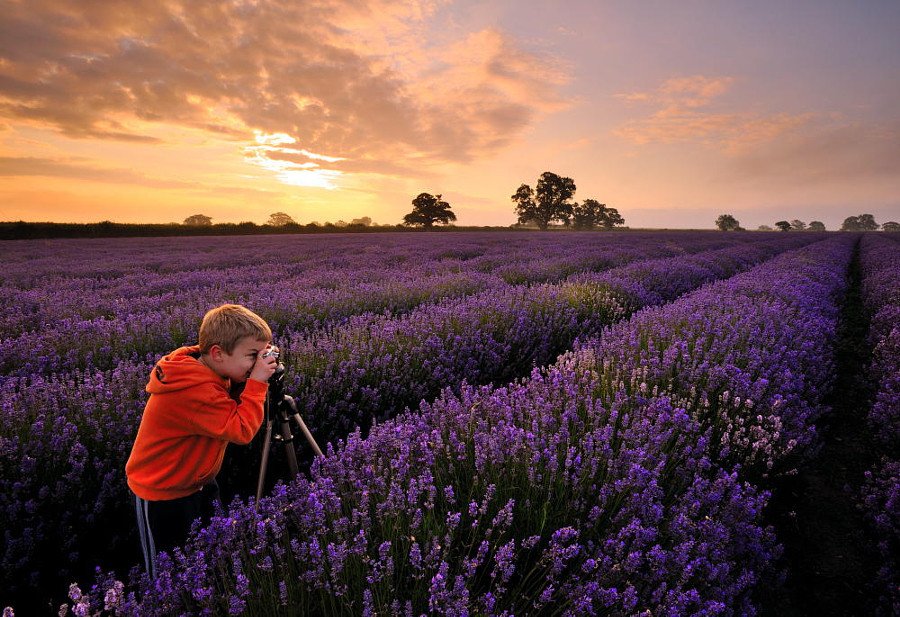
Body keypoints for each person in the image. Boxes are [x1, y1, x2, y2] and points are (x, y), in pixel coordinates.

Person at [125, 304, 277, 578]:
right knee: (167, 573)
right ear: (218, 353)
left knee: (207, 555)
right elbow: (241, 430)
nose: (259, 363)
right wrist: (257, 385)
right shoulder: (195, 391)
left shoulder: (208, 368)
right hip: (163, 493)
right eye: (253, 355)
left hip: (198, 481)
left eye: (263, 354)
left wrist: (249, 372)